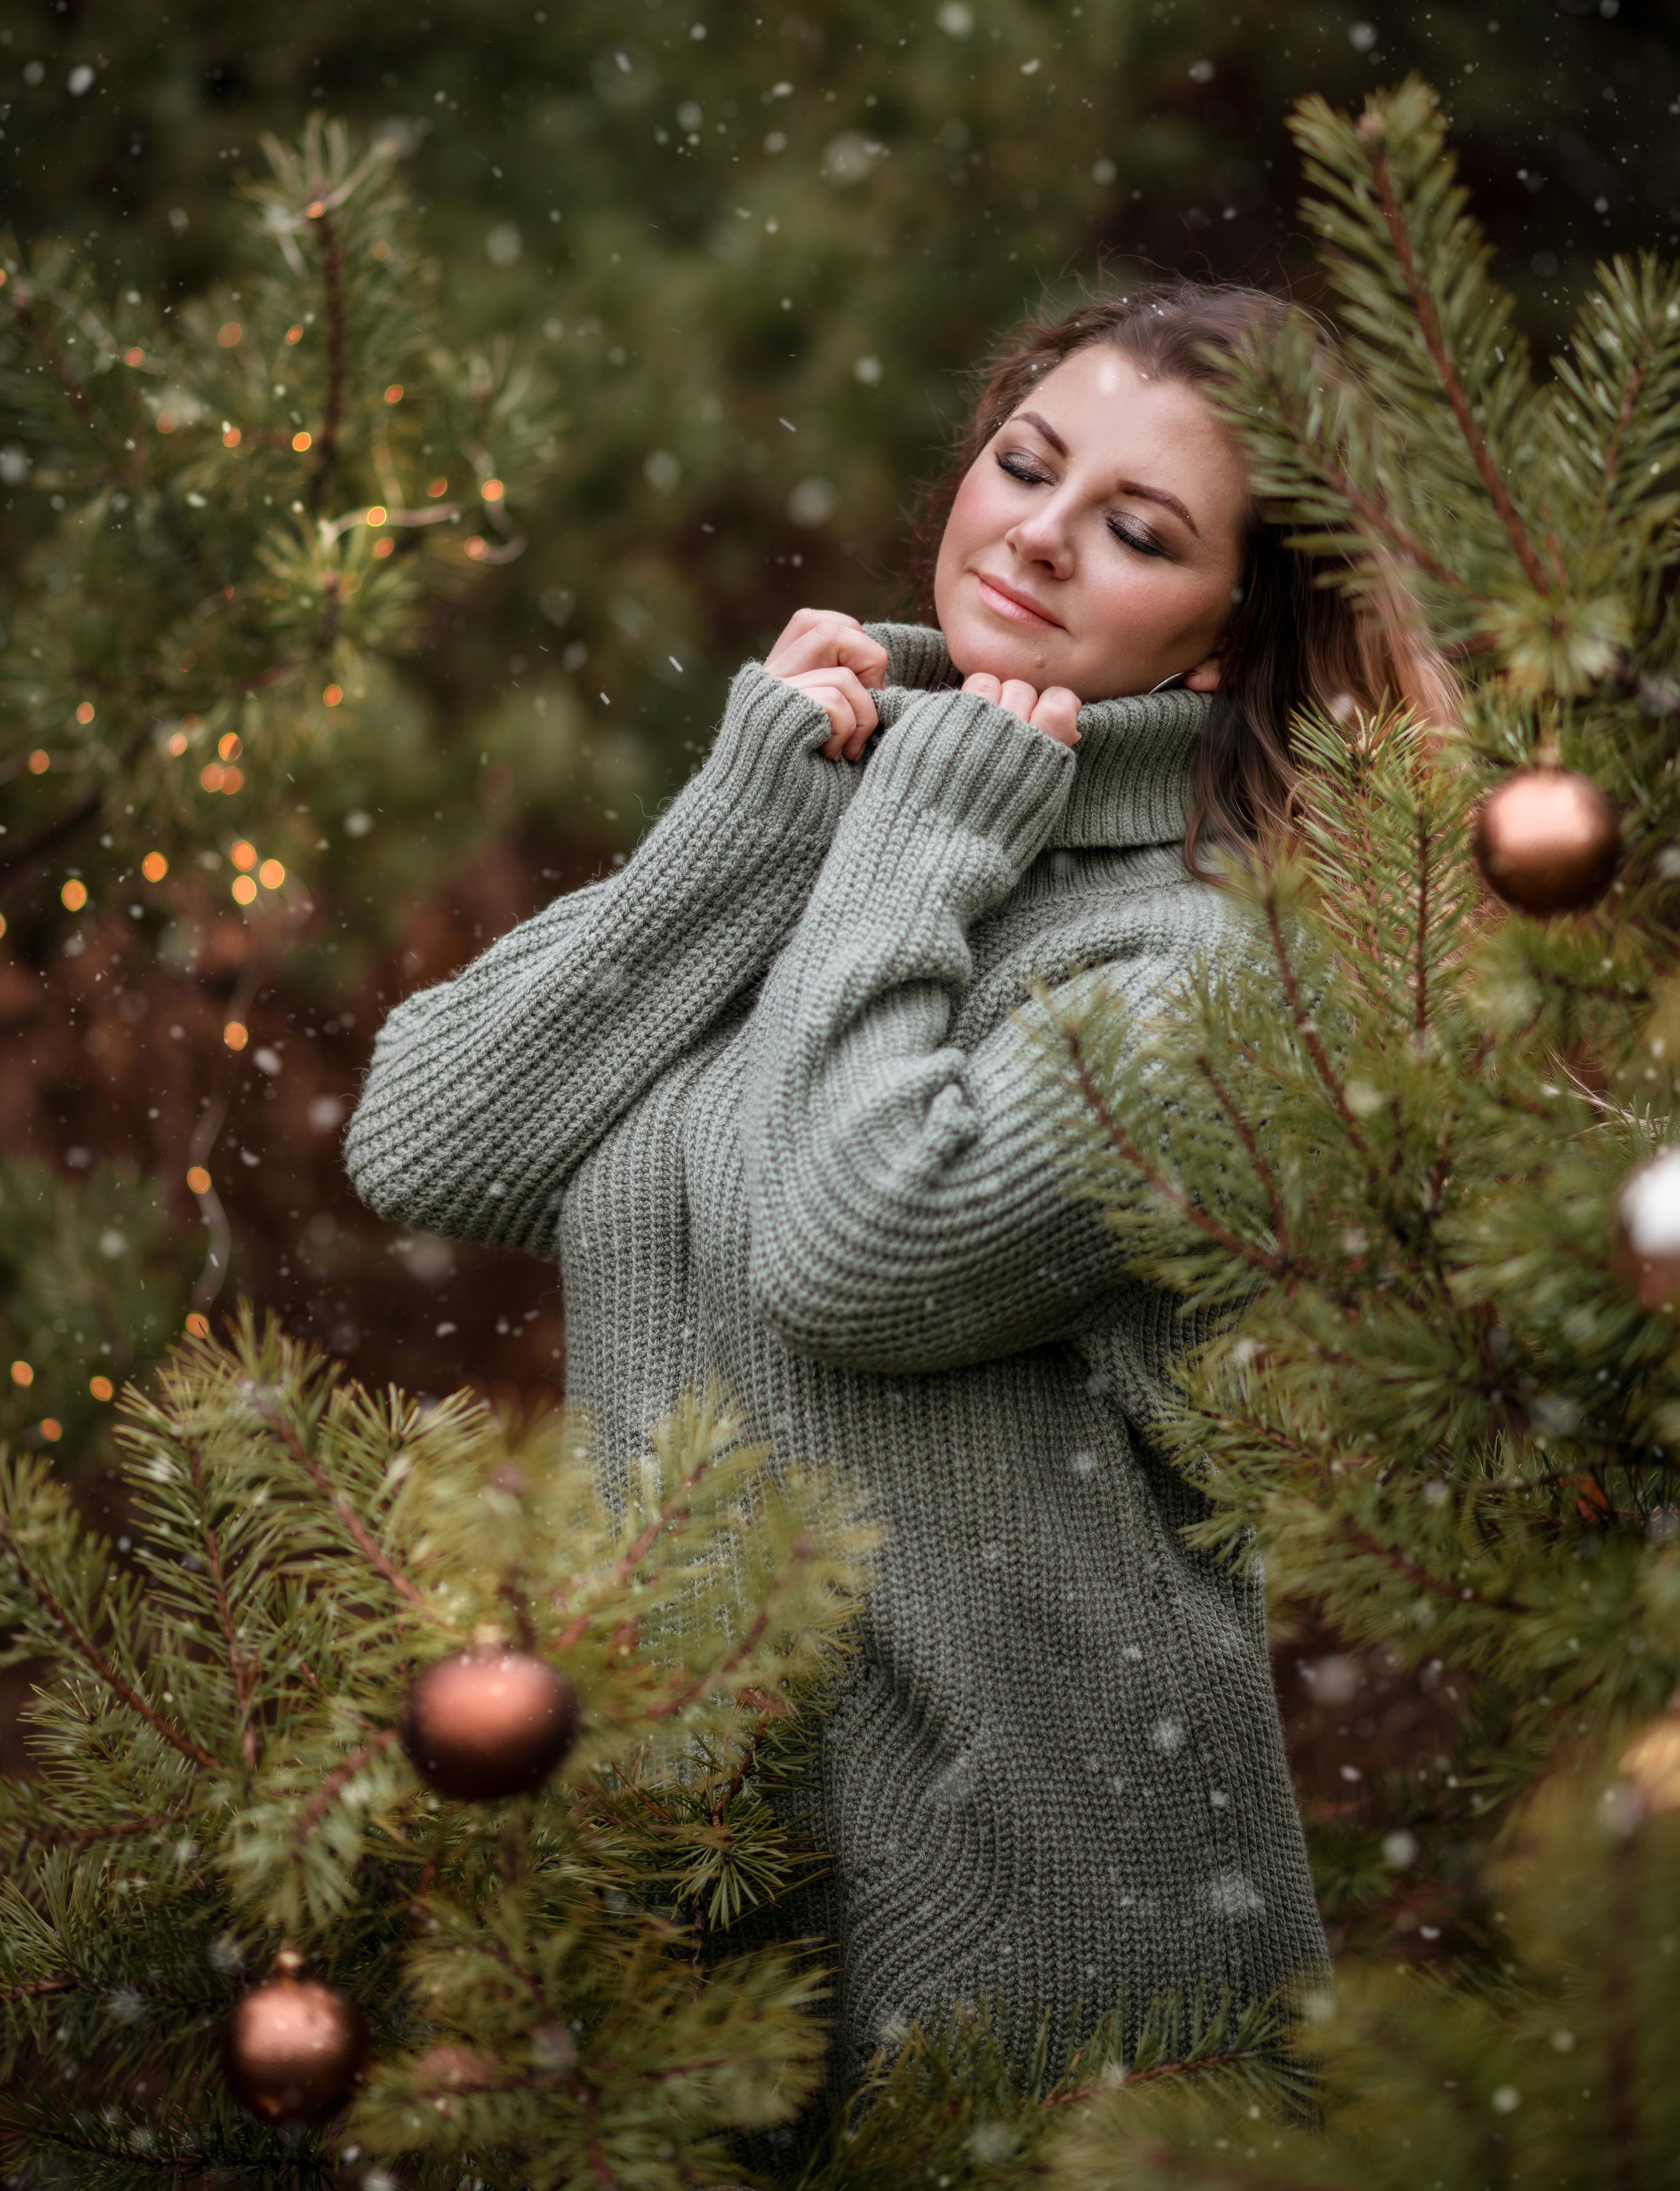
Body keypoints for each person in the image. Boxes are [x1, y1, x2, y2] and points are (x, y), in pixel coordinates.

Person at [343, 281, 1446, 2096]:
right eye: (1027, 463)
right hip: (698, 1920)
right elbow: (432, 1133)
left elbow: (861, 1251)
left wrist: (918, 833)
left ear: (1232, 643)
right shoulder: (850, 822)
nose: (1038, 531)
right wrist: (755, 816)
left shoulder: (1225, 970)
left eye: (1140, 530)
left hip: (1049, 1961)